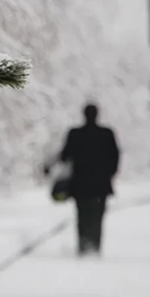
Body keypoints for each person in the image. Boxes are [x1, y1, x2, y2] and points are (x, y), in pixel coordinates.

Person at [46, 104, 120, 257]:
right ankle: (95, 247)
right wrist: (109, 174)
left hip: (80, 185)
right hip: (101, 185)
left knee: (82, 216)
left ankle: (83, 246)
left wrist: (49, 166)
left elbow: (64, 155)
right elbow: (115, 156)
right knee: (98, 216)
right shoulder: (106, 134)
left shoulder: (75, 134)